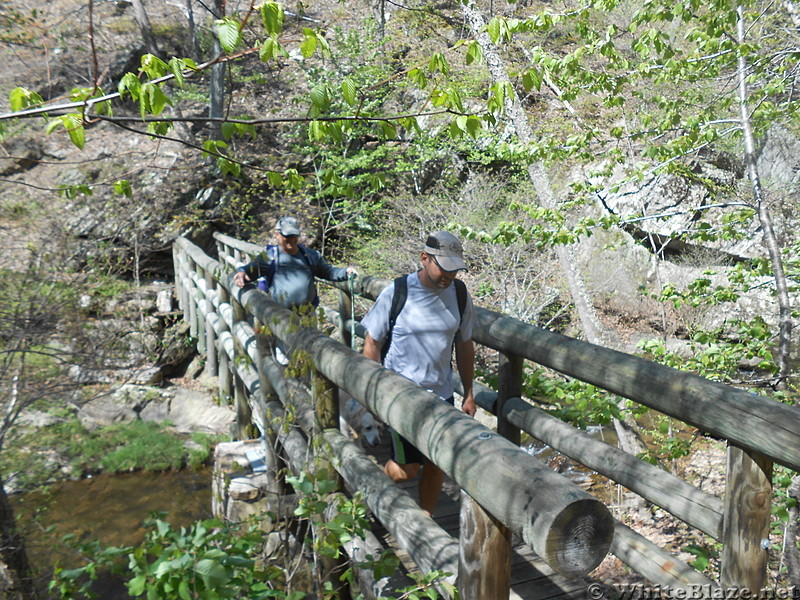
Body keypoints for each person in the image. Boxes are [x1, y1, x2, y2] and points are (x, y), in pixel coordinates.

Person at [361, 230, 477, 516]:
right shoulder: (398, 291)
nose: (449, 275)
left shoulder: (459, 295)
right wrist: (374, 394)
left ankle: (425, 518)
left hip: (441, 395)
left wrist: (470, 393)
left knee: (437, 463)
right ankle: (372, 489)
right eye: (444, 267)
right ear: (425, 259)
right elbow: (372, 343)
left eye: (455, 269)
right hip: (401, 396)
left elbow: (464, 346)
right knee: (406, 470)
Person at [233, 216, 357, 308]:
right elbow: (252, 269)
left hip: (307, 315)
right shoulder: (270, 256)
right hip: (281, 316)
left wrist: (345, 272)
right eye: (288, 236)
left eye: (294, 235)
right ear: (277, 235)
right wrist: (242, 272)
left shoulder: (311, 256)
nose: (292, 240)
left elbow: (328, 272)